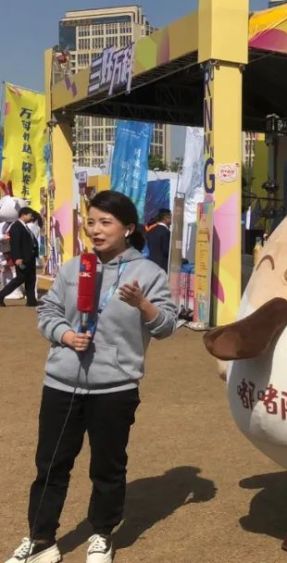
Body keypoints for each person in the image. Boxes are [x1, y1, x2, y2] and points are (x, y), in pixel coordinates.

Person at [5, 191, 177, 563]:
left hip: (115, 387)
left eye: (105, 222)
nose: (95, 230)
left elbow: (166, 326)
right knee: (51, 464)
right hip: (61, 383)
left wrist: (142, 304)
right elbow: (47, 312)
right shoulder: (73, 268)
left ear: (127, 228)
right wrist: (65, 335)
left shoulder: (149, 274)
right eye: (91, 221)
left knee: (107, 467)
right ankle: (41, 539)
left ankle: (102, 533)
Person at [0, 207, 40, 307]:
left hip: (30, 257)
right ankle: (1, 295)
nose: (31, 217)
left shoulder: (24, 226)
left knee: (31, 279)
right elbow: (15, 244)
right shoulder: (16, 226)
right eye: (30, 215)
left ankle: (31, 300)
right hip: (22, 258)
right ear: (23, 215)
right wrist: (17, 257)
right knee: (20, 279)